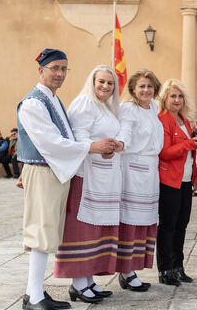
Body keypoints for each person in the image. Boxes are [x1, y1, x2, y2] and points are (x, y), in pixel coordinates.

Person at [17, 48, 117, 310]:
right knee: (41, 231)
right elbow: (51, 143)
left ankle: (35, 291)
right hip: (43, 170)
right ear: (41, 70)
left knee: (50, 232)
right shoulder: (33, 102)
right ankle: (34, 296)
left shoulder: (54, 100)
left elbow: (66, 139)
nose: (59, 74)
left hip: (56, 171)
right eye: (54, 69)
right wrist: (92, 148)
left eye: (63, 69)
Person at [54, 65, 126, 303]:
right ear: (92, 82)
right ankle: (77, 283)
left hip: (103, 175)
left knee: (95, 230)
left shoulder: (104, 107)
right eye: (101, 82)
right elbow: (77, 136)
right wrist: (98, 147)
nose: (105, 86)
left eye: (110, 83)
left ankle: (87, 281)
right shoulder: (85, 103)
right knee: (81, 230)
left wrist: (112, 146)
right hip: (86, 176)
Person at [116, 69, 163, 291]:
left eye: (150, 86)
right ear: (133, 88)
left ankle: (133, 266)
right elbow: (124, 132)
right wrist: (120, 144)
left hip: (150, 170)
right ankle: (126, 270)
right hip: (133, 170)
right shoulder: (128, 109)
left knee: (145, 221)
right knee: (131, 221)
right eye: (142, 86)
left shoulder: (153, 107)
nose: (146, 90)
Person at [156, 78, 197, 286]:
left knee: (182, 225)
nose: (176, 100)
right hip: (169, 180)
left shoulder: (184, 120)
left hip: (184, 181)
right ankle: (165, 270)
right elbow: (164, 152)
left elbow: (190, 155)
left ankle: (178, 267)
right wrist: (189, 143)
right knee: (168, 226)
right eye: (172, 96)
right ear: (164, 98)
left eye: (180, 96)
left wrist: (195, 176)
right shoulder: (162, 120)